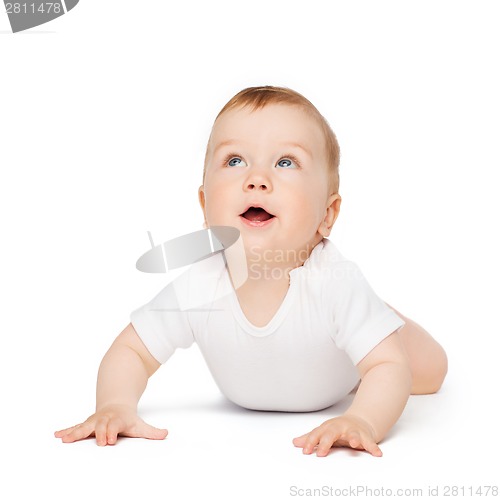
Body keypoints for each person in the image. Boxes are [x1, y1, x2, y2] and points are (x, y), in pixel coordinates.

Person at [55, 86, 448, 457]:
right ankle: (371, 324)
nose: (256, 179)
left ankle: (379, 320)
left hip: (345, 352)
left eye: (285, 162)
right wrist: (114, 405)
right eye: (235, 161)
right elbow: (132, 350)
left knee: (429, 372)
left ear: (327, 215)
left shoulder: (333, 283)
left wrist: (362, 418)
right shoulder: (202, 284)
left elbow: (387, 367)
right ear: (205, 205)